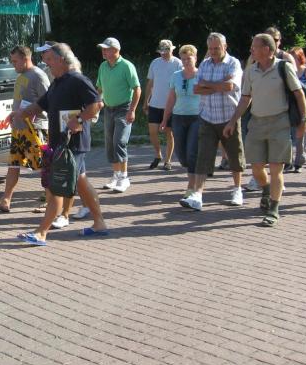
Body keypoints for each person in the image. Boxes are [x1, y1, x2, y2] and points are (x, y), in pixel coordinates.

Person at [16, 43, 106, 246]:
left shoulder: (77, 79)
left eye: (49, 59)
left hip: (72, 143)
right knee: (82, 183)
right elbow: (40, 105)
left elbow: (96, 104)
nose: (46, 64)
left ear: (62, 60)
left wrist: (79, 119)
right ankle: (99, 223)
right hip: (60, 142)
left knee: (57, 185)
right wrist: (20, 113)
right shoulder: (57, 82)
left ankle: (41, 233)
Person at [224, 34, 306, 227]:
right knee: (256, 168)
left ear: (267, 50)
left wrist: (303, 121)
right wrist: (232, 121)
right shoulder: (250, 71)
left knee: (276, 168)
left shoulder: (283, 67)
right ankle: (267, 189)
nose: (251, 50)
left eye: (254, 47)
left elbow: (298, 94)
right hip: (257, 123)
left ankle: (274, 208)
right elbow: (245, 98)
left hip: (280, 123)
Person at [180, 33, 245, 211]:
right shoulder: (205, 64)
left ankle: (237, 190)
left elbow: (230, 86)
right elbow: (197, 89)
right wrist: (218, 85)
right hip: (207, 116)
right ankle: (197, 195)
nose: (213, 52)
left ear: (225, 47)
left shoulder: (233, 63)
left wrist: (208, 84)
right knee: (203, 156)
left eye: (217, 48)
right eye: (210, 48)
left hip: (229, 117)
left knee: (234, 155)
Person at [0, 46, 49, 212]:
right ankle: (6, 200)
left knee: (44, 165)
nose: (13, 65)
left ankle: (51, 202)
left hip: (34, 130)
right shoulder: (20, 76)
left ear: (26, 59)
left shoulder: (38, 76)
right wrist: (14, 114)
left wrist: (31, 114)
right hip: (19, 129)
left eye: (15, 61)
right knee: (13, 165)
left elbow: (49, 101)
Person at [95, 37, 141, 192]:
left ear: (115, 50)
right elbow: (99, 89)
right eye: (102, 49)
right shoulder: (103, 66)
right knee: (110, 144)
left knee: (119, 142)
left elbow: (137, 88)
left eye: (106, 49)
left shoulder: (127, 66)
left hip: (124, 108)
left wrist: (132, 110)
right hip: (108, 109)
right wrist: (95, 104)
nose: (103, 51)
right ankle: (116, 176)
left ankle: (124, 178)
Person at [160, 44, 201, 201]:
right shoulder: (176, 76)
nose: (186, 62)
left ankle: (192, 187)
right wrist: (165, 119)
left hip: (197, 117)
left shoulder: (201, 75)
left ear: (195, 58)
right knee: (181, 154)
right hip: (178, 117)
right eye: (183, 59)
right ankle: (194, 173)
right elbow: (171, 98)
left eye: (189, 59)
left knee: (192, 152)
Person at [144, 40, 182, 170]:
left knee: (169, 133)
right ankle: (158, 154)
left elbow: (181, 83)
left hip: (171, 105)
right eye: (162, 51)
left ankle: (168, 161)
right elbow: (150, 83)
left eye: (166, 51)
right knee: (152, 131)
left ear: (172, 50)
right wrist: (146, 101)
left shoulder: (178, 63)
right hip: (155, 103)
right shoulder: (155, 63)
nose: (164, 54)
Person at [289, 47, 306, 172]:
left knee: (302, 134)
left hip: (305, 106)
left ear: (300, 57)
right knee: (289, 134)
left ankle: (299, 161)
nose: (292, 60)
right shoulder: (289, 71)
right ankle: (288, 160)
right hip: (291, 107)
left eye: (294, 57)